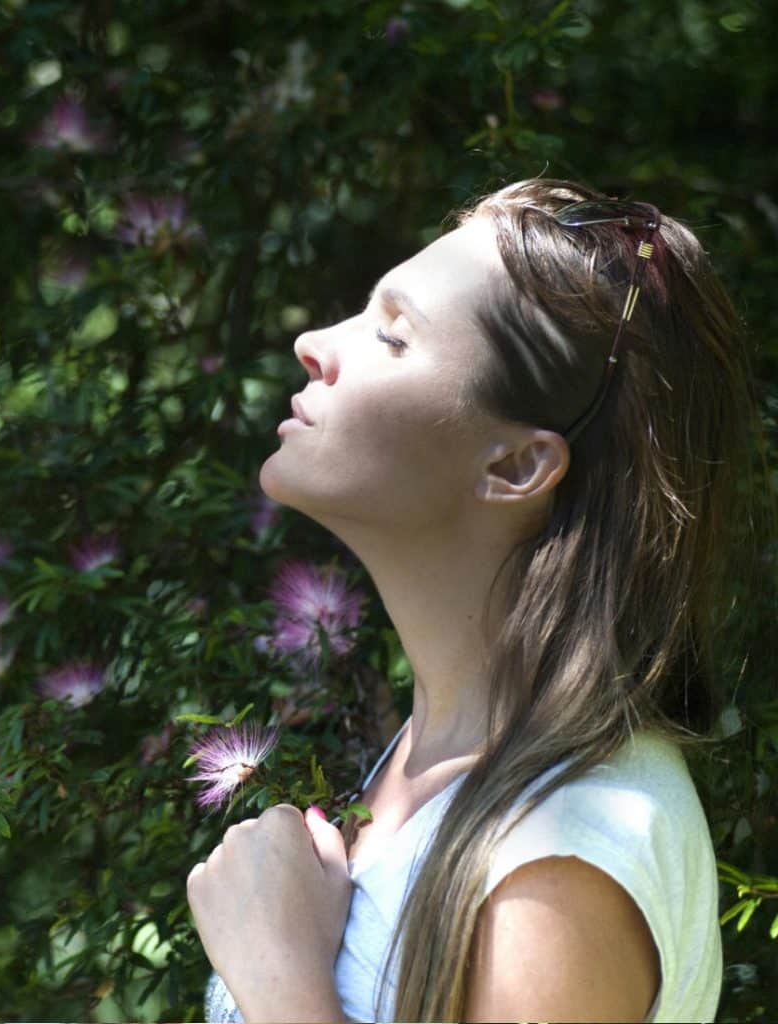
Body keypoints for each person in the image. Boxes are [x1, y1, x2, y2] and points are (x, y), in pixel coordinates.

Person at [188, 177, 766, 1023]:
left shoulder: (563, 856)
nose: (315, 342)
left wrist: (278, 978)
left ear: (516, 469)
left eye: (392, 335)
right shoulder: (439, 765)